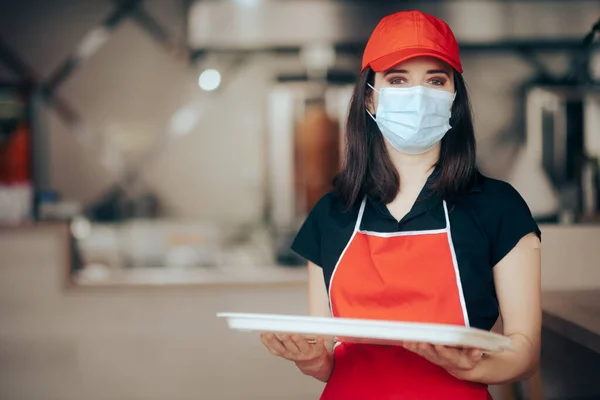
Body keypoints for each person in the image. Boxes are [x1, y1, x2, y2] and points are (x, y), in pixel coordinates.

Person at [260, 9, 542, 400]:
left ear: (453, 97)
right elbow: (329, 356)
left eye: (435, 80)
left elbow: (525, 351)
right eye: (398, 80)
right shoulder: (331, 213)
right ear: (371, 100)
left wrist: (476, 366)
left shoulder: (499, 207)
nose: (419, 95)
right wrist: (309, 359)